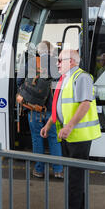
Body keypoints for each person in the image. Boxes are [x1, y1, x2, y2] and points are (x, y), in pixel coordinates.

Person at [40, 49, 101, 209]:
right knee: (74, 176)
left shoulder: (82, 77)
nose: (57, 63)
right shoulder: (64, 79)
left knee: (75, 177)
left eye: (60, 60)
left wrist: (69, 127)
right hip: (69, 136)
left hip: (79, 136)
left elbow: (85, 104)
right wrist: (48, 125)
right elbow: (58, 107)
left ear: (71, 61)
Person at [26, 41, 63, 179]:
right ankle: (58, 170)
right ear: (52, 52)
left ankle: (39, 170)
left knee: (37, 138)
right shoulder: (58, 63)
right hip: (53, 109)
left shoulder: (32, 63)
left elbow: (19, 82)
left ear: (38, 51)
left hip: (35, 108)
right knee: (54, 138)